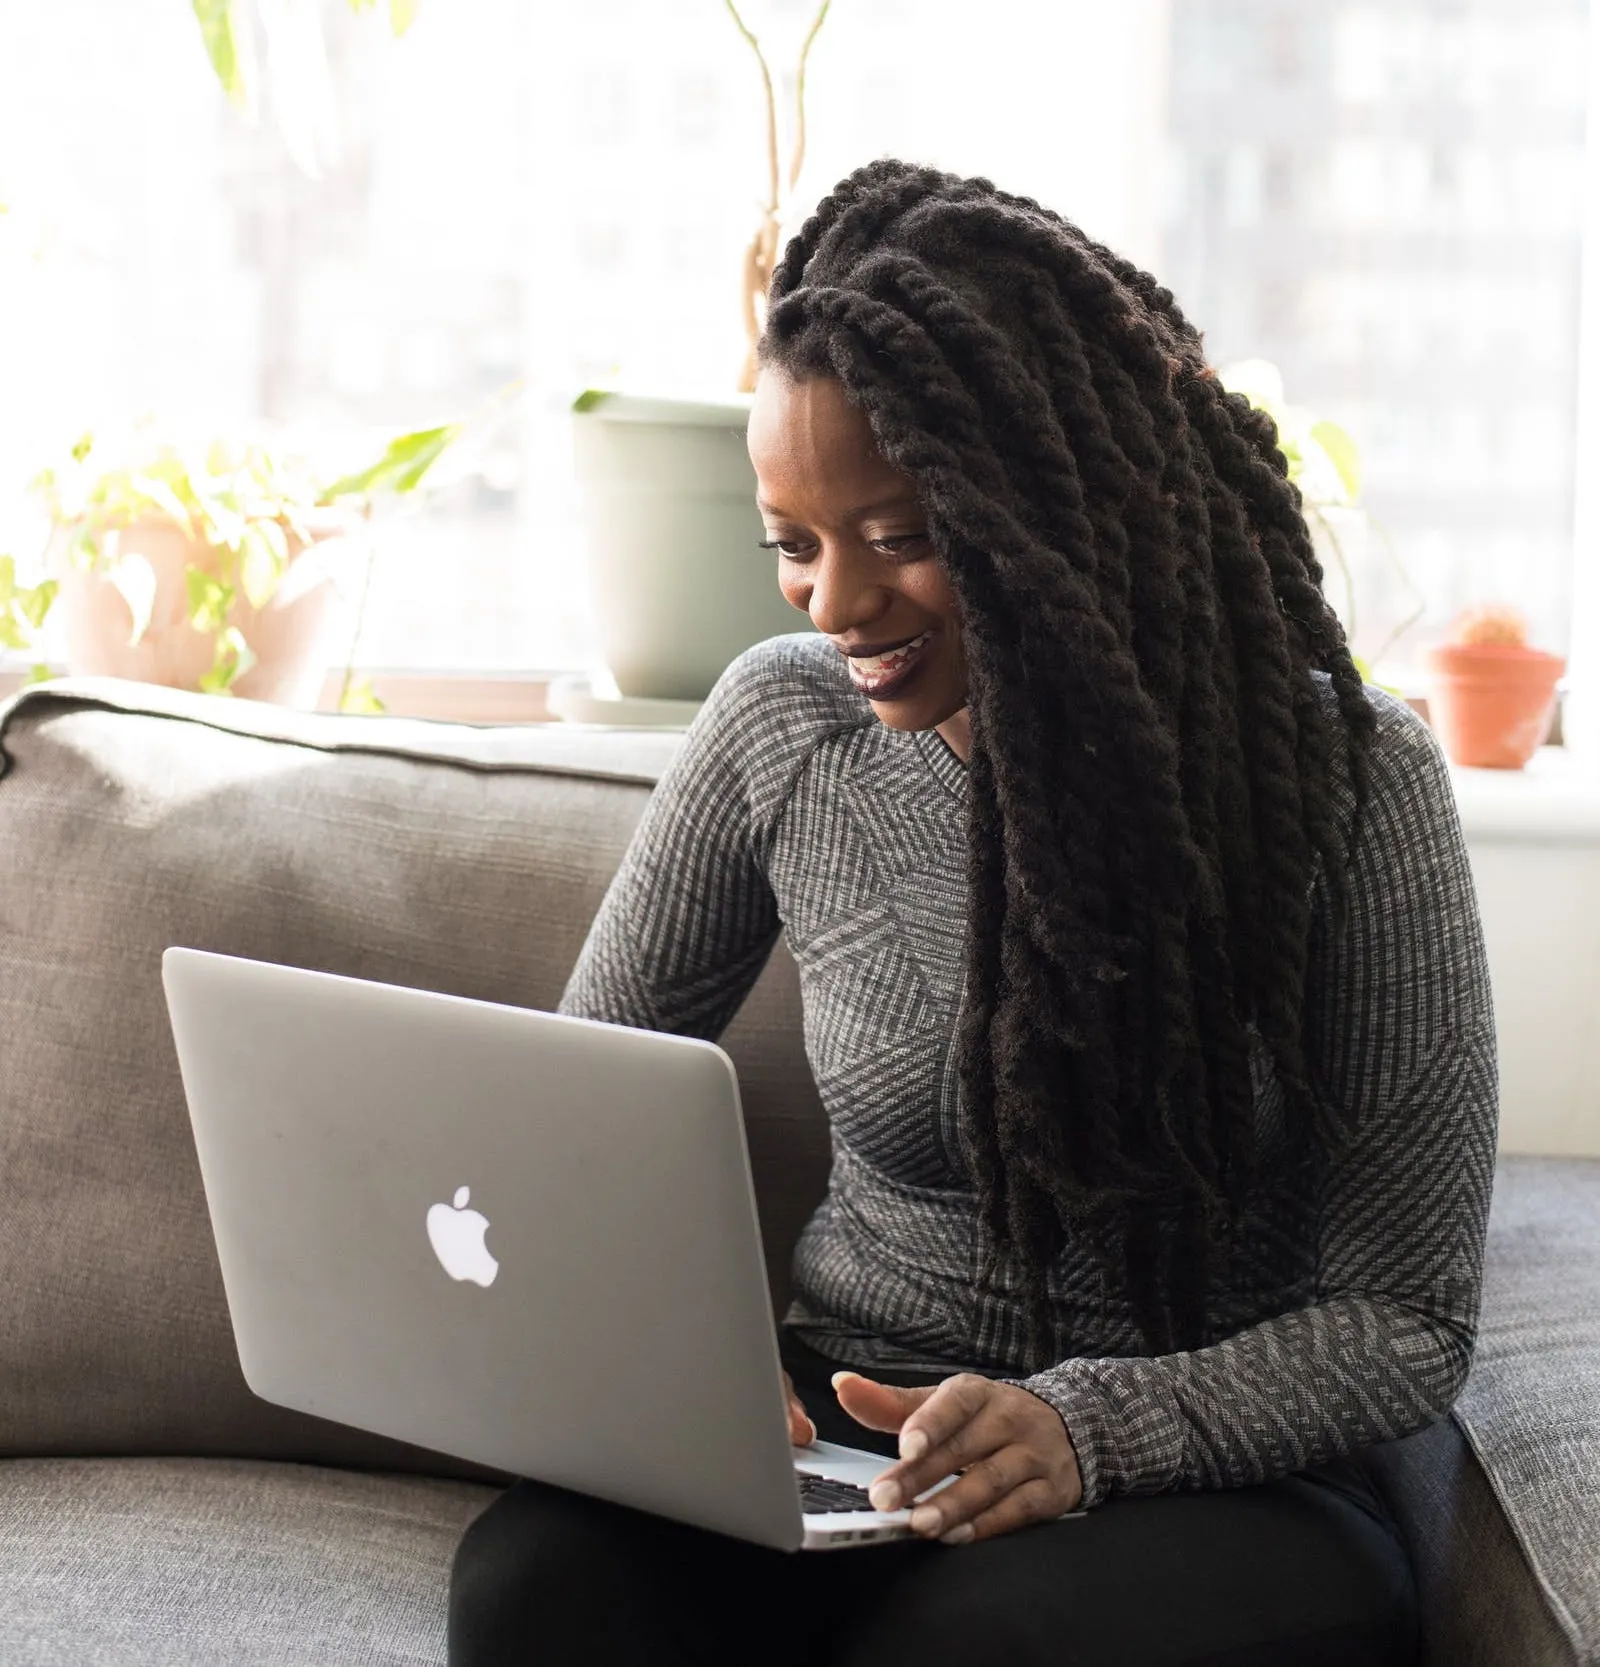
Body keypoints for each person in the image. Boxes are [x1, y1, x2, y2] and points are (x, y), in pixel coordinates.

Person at [448, 159, 1495, 1667]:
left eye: (896, 534)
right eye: (793, 544)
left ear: (1053, 503)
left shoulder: (1349, 782)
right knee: (536, 1592)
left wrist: (1087, 1426)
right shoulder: (780, 731)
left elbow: (1407, 1313)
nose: (831, 603)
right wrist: (687, 1367)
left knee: (977, 1647)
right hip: (854, 1422)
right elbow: (566, 1108)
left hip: (1205, 1471)